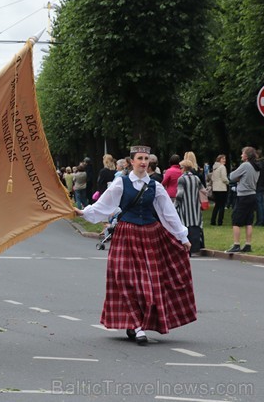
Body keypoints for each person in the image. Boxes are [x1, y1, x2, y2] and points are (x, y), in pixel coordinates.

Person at [75, 145, 195, 345]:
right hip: (127, 234)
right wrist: (84, 212)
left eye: (146, 158)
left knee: (147, 282)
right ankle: (136, 325)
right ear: (131, 161)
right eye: (140, 158)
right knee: (126, 279)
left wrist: (182, 237)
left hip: (150, 235)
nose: (143, 162)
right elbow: (104, 206)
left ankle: (138, 323)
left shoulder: (155, 186)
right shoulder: (120, 183)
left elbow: (168, 213)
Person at [225, 146, 260, 253]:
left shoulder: (245, 165)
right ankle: (248, 244)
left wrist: (238, 179)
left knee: (236, 219)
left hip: (243, 195)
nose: (241, 155)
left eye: (242, 153)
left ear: (247, 156)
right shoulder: (257, 167)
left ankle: (236, 244)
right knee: (248, 221)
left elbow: (231, 176)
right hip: (252, 194)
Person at [176, 160, 205, 254]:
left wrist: (175, 205)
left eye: (180, 167)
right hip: (196, 207)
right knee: (195, 227)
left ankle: (187, 249)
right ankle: (195, 248)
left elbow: (180, 194)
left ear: (184, 168)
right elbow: (203, 190)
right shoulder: (196, 178)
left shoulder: (181, 179)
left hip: (185, 208)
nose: (180, 169)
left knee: (186, 226)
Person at [210, 154, 229, 226]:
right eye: (223, 159)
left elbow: (212, 178)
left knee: (217, 205)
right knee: (222, 206)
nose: (224, 160)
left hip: (215, 188)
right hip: (222, 188)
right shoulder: (222, 167)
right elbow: (224, 178)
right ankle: (220, 222)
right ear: (219, 160)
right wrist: (228, 182)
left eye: (225, 159)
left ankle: (213, 221)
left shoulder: (214, 167)